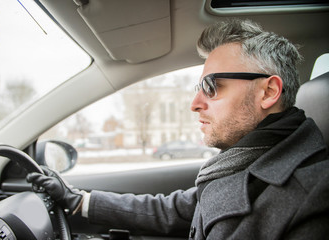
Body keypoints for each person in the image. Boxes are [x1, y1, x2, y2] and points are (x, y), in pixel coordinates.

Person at [27, 19, 329, 239]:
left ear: (268, 92)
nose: (195, 103)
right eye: (199, 87)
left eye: (212, 86)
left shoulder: (314, 194)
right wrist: (78, 200)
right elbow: (174, 210)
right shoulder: (244, 161)